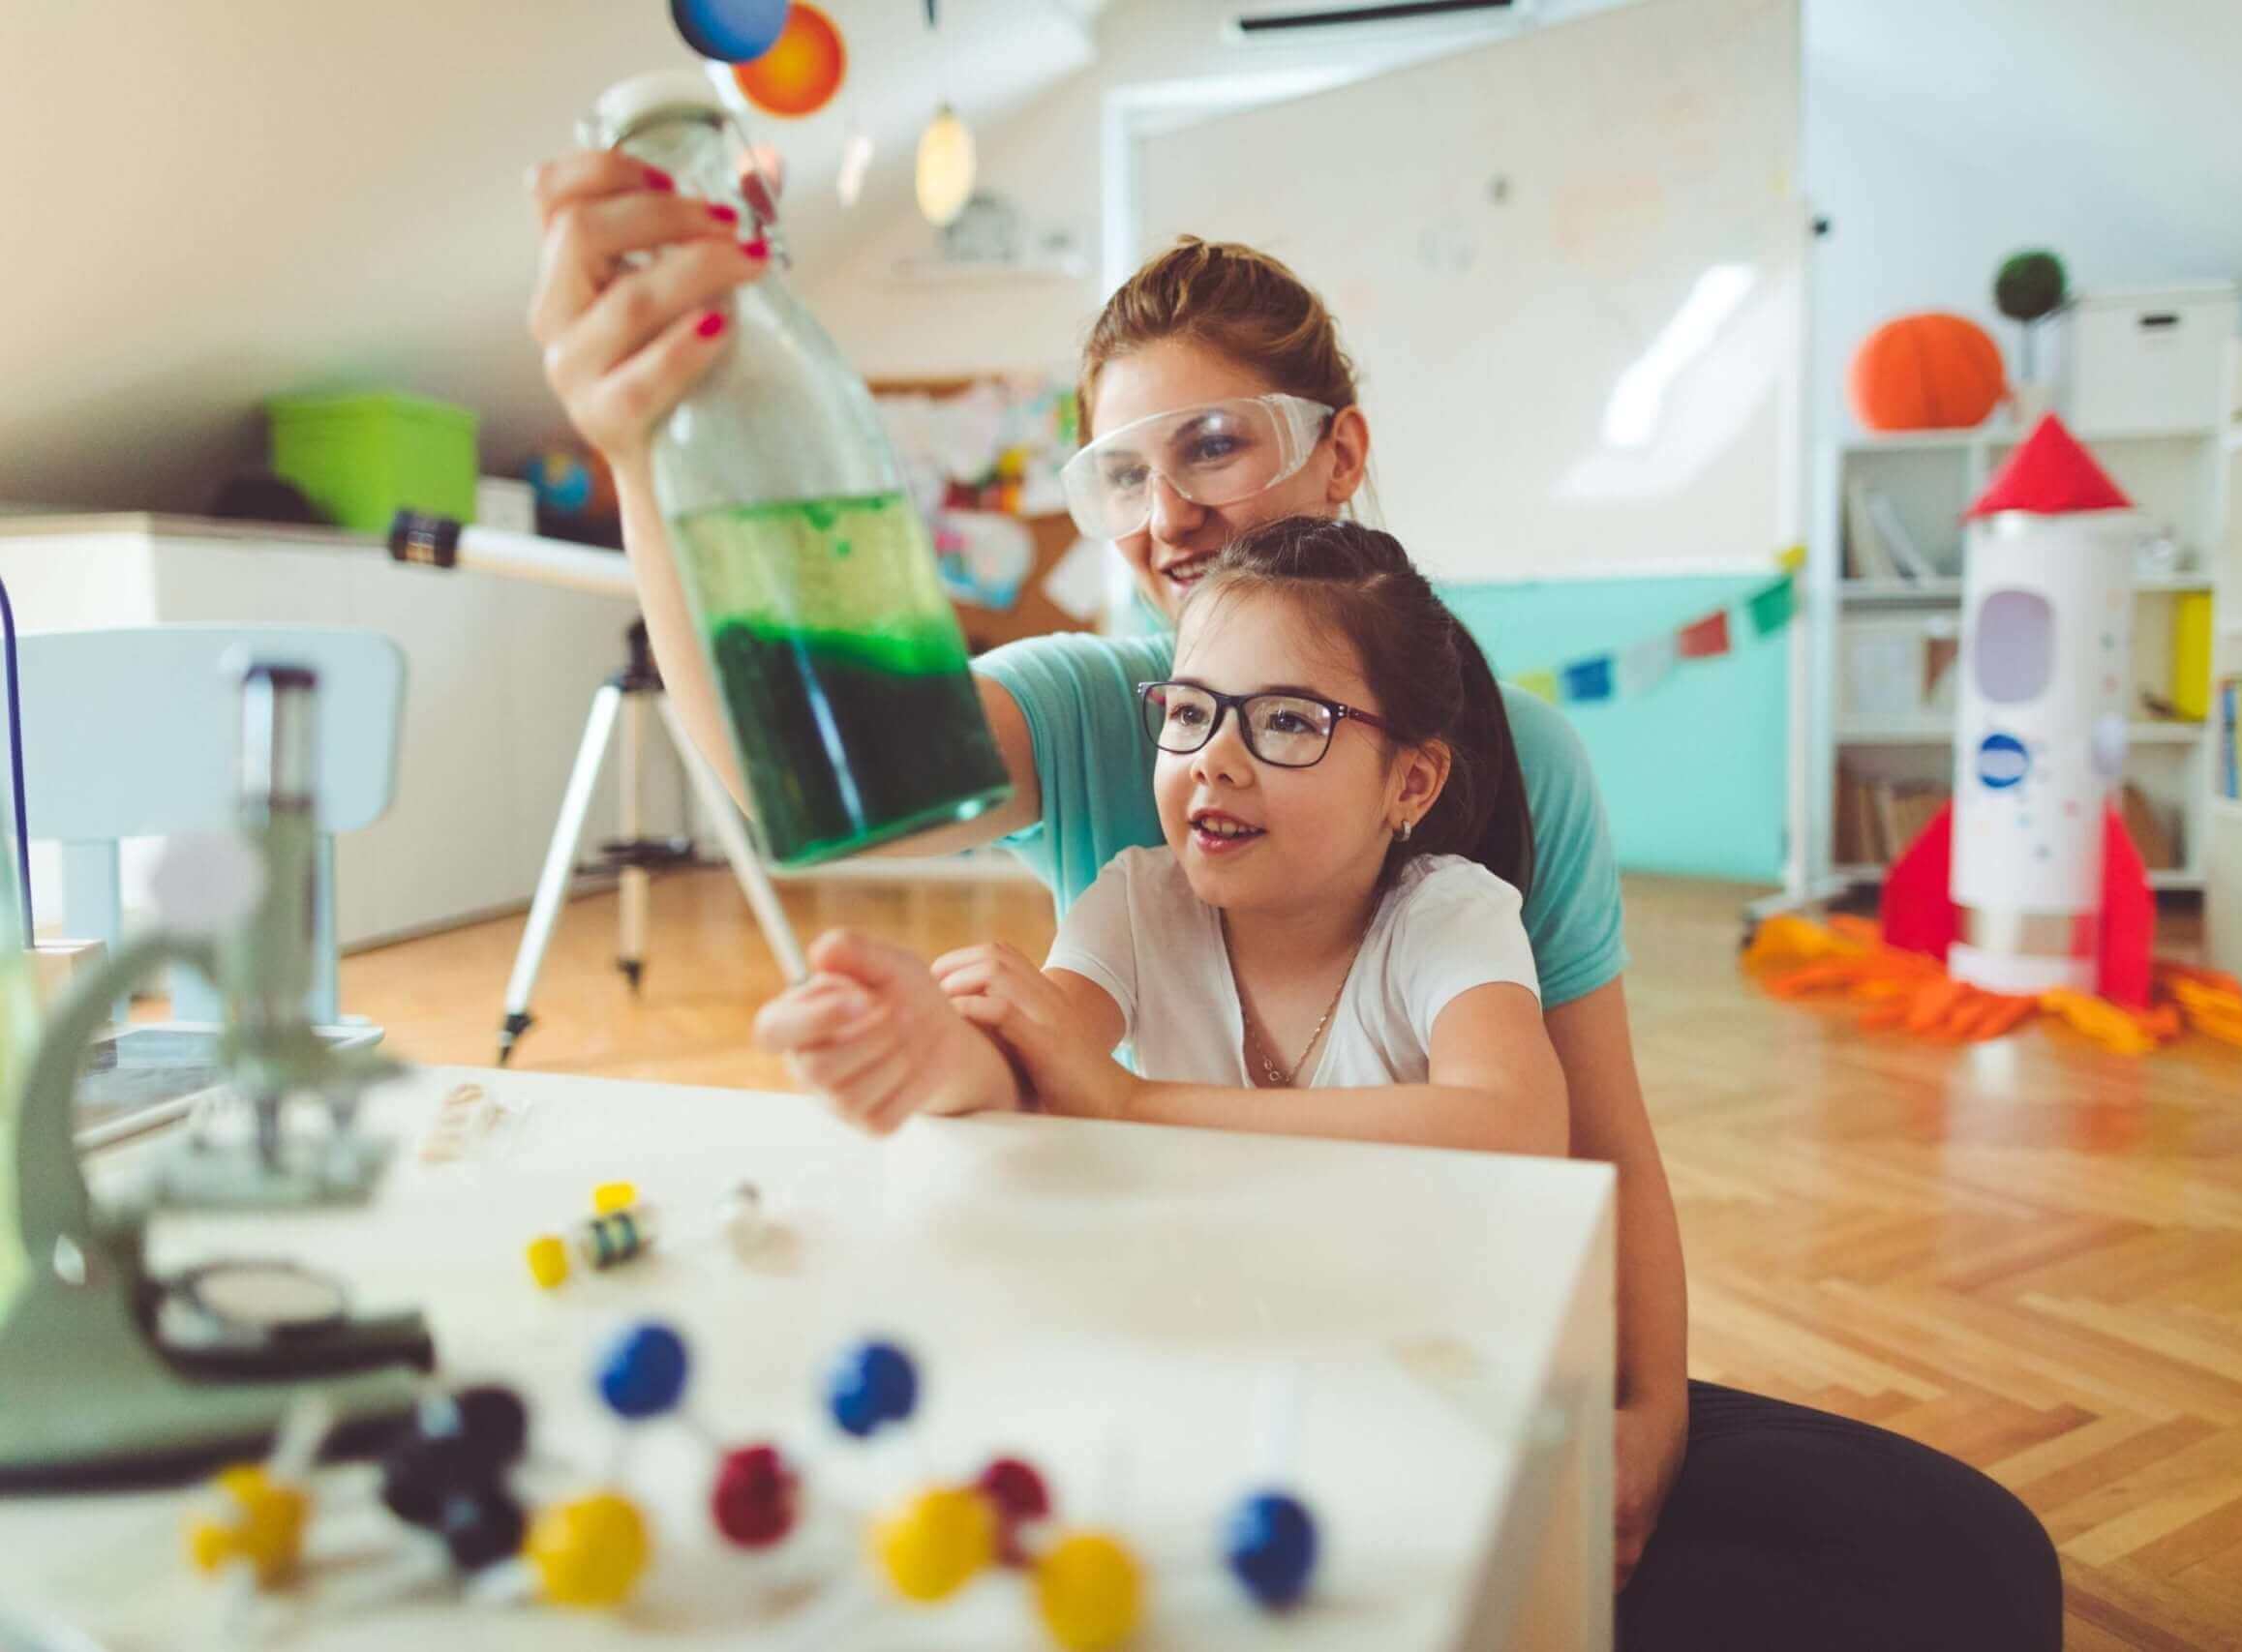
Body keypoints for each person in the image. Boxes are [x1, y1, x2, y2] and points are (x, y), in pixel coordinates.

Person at [526, 154, 2062, 1647]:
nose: (1165, 514)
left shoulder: (1508, 785)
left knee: (1965, 1560)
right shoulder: (1113, 729)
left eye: (1211, 446)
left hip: (1435, 1323)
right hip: (1181, 1332)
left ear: (1341, 454)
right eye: (1123, 473)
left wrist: (1645, 1412)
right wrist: (651, 452)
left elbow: (1595, 1137)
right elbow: (819, 793)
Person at [754, 516, 1569, 1164]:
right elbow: (1029, 1067)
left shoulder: (1448, 915)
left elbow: (1515, 1125)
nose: (1214, 757)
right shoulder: (1140, 902)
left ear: (1411, 783)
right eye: (1188, 710)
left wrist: (1130, 1102)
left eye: (1287, 720)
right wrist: (929, 1047)